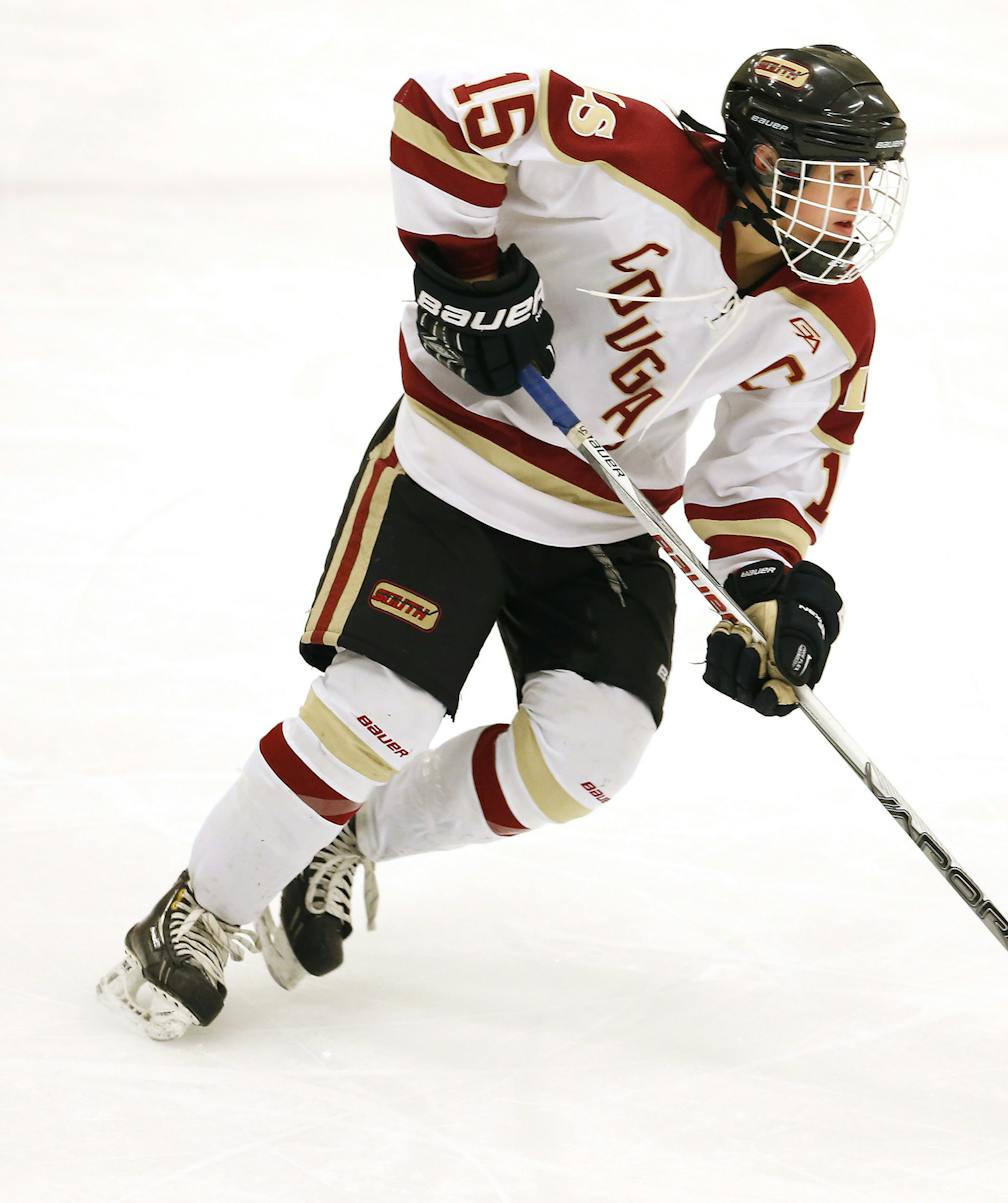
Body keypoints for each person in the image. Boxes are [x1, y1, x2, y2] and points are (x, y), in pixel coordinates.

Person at [97, 44, 909, 1040]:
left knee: (591, 756)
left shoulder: (830, 317)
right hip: (453, 473)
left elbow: (766, 477)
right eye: (822, 181)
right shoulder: (634, 160)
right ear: (753, 158)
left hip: (607, 524)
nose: (845, 211)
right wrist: (462, 271)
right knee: (379, 712)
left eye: (861, 185)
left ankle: (347, 835)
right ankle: (197, 911)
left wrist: (767, 588)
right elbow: (441, 111)